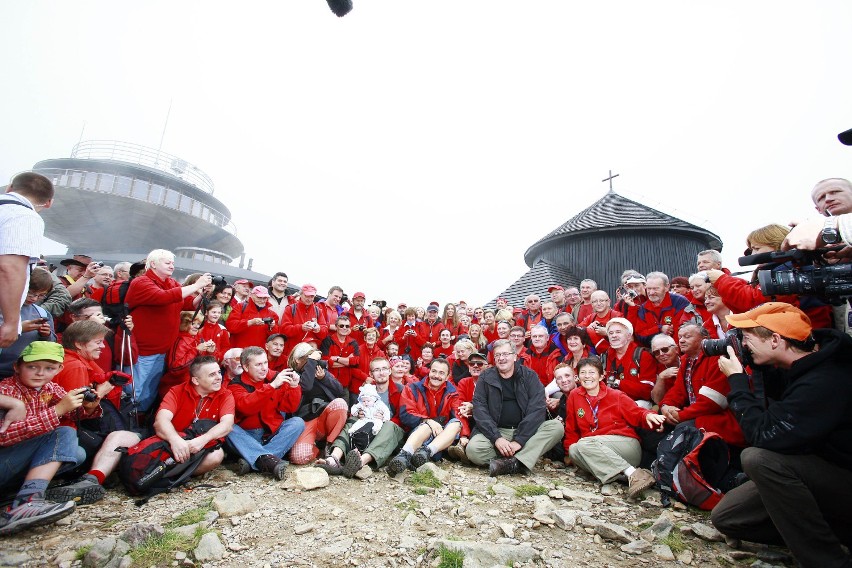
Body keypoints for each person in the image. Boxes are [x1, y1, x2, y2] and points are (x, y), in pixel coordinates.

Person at [711, 302, 852, 568]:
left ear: (775, 340)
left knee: (758, 458)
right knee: (727, 519)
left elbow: (764, 435)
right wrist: (759, 368)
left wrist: (738, 382)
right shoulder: (798, 365)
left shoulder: (827, 379)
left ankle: (826, 559)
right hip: (815, 469)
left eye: (747, 338)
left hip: (841, 474)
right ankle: (824, 531)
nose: (742, 344)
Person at [0, 342, 84, 535]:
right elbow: (4, 437)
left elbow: (74, 412)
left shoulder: (49, 388)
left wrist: (87, 405)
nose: (40, 373)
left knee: (76, 453)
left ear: (58, 369)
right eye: (32, 367)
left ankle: (19, 491)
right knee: (63, 434)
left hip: (17, 461)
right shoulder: (7, 389)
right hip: (5, 458)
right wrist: (58, 410)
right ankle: (26, 502)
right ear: (17, 367)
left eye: (49, 368)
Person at [562, 357, 665, 498]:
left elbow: (637, 413)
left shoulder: (615, 395)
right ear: (578, 377)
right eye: (583, 373)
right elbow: (571, 427)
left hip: (624, 445)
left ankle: (635, 474)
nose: (587, 377)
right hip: (595, 446)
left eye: (592, 372)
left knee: (583, 443)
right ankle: (623, 477)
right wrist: (568, 452)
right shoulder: (575, 395)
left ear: (601, 376)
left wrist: (649, 416)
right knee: (574, 450)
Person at [124, 249, 212, 413]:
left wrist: (202, 295)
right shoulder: (141, 282)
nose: (172, 266)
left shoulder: (171, 283)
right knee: (133, 390)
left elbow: (187, 304)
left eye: (172, 263)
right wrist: (197, 285)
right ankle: (124, 422)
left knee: (149, 392)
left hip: (162, 350)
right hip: (143, 351)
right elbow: (163, 297)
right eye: (167, 263)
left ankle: (140, 420)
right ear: (153, 264)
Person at [466, 339, 564, 476]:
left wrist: (519, 440)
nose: (501, 358)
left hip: (526, 431)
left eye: (506, 354)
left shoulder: (530, 376)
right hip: (497, 430)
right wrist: (497, 438)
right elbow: (480, 409)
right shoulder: (485, 377)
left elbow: (537, 410)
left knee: (556, 427)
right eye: (498, 355)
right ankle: (522, 459)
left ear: (515, 356)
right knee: (473, 450)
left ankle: (513, 461)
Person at [659, 322, 745, 447]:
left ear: (704, 339)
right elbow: (677, 391)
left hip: (721, 419)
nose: (681, 340)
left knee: (683, 428)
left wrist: (680, 415)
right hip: (696, 414)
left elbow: (712, 402)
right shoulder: (686, 360)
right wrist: (666, 406)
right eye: (680, 337)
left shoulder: (717, 358)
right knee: (654, 421)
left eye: (687, 337)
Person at [226, 346, 304, 479]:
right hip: (247, 436)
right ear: (245, 367)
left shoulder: (274, 376)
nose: (264, 368)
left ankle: (254, 460)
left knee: (298, 422)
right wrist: (272, 386)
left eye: (265, 363)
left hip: (271, 433)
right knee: (227, 428)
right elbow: (246, 407)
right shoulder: (235, 384)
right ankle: (266, 459)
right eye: (258, 364)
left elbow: (289, 408)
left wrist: (294, 386)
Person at [320, 357, 405, 478]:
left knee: (390, 425)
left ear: (390, 371)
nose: (381, 373)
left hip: (390, 433)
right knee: (352, 421)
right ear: (371, 374)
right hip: (367, 429)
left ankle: (360, 462)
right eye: (377, 370)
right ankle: (334, 458)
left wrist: (385, 419)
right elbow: (356, 408)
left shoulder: (400, 390)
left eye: (384, 369)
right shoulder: (366, 391)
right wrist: (359, 413)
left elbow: (404, 418)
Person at [154, 356, 234, 477]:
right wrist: (175, 440)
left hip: (199, 447)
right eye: (212, 374)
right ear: (196, 380)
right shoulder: (177, 391)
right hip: (170, 443)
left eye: (219, 372)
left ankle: (170, 478)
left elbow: (227, 424)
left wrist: (203, 439)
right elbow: (161, 420)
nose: (219, 377)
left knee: (217, 455)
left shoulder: (225, 394)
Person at [0, 172, 54, 349]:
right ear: (48, 202)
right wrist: (11, 323)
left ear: (9, 188)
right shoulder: (24, 216)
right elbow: (10, 268)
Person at [388, 358, 461, 476]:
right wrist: (428, 421)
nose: (436, 376)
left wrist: (465, 436)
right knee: (426, 426)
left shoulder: (452, 393)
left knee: (456, 423)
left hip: (440, 437)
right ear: (429, 372)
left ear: (447, 376)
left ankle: (426, 452)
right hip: (417, 432)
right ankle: (404, 455)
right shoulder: (412, 388)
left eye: (441, 373)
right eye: (434, 371)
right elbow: (406, 413)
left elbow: (458, 415)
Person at [288, 343, 348, 465]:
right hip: (305, 421)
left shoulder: (319, 371)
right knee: (299, 457)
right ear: (297, 360)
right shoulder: (291, 374)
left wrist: (324, 378)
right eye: (309, 359)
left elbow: (340, 390)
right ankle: (317, 450)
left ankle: (329, 445)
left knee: (340, 404)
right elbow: (305, 386)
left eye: (314, 360)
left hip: (324, 417)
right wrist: (311, 362)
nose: (314, 363)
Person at [0, 268, 55, 379]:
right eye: (30, 293)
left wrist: (46, 335)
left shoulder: (41, 313)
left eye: (41, 295)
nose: (34, 298)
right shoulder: (4, 307)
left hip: (24, 375)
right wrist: (19, 328)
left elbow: (51, 344)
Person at [600, 318, 656, 408]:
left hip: (637, 403)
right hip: (612, 401)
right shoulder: (605, 356)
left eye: (618, 332)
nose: (614, 336)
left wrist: (618, 383)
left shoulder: (643, 356)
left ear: (629, 336)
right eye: (610, 333)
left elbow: (647, 391)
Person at [628, 271, 691, 347]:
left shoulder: (680, 302)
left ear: (667, 287)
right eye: (649, 289)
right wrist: (659, 329)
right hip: (654, 352)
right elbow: (640, 335)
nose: (651, 292)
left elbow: (684, 330)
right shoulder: (643, 308)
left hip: (679, 350)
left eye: (655, 289)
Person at [447, 350, 487, 463]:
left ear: (487, 366)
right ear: (468, 368)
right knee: (458, 411)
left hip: (484, 421)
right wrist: (464, 433)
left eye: (479, 363)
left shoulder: (491, 383)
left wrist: (474, 407)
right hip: (467, 419)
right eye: (472, 364)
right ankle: (461, 443)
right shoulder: (464, 382)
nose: (475, 366)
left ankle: (462, 447)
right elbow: (459, 405)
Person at [158, 312, 208, 398]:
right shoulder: (181, 341)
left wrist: (210, 352)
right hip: (176, 388)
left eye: (199, 324)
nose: (196, 326)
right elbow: (175, 368)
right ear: (184, 324)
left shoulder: (197, 339)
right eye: (193, 323)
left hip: (191, 386)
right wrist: (195, 351)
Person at [320, 315, 366, 403]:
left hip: (344, 386)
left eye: (347, 326)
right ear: (336, 327)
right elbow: (325, 361)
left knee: (344, 413)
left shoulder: (353, 342)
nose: (344, 328)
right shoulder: (327, 340)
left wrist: (336, 358)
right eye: (341, 326)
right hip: (328, 384)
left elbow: (355, 362)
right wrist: (347, 361)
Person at [279, 284, 328, 357]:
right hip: (293, 353)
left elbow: (324, 332)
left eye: (312, 296)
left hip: (310, 353)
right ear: (301, 294)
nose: (309, 299)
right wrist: (301, 328)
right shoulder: (290, 309)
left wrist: (318, 329)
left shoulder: (318, 311)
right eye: (307, 296)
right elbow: (284, 330)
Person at [649, 333, 679, 405]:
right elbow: (657, 400)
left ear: (676, 349)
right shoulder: (656, 368)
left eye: (665, 349)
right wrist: (661, 378)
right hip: (669, 405)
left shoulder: (688, 361)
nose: (661, 354)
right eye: (656, 352)